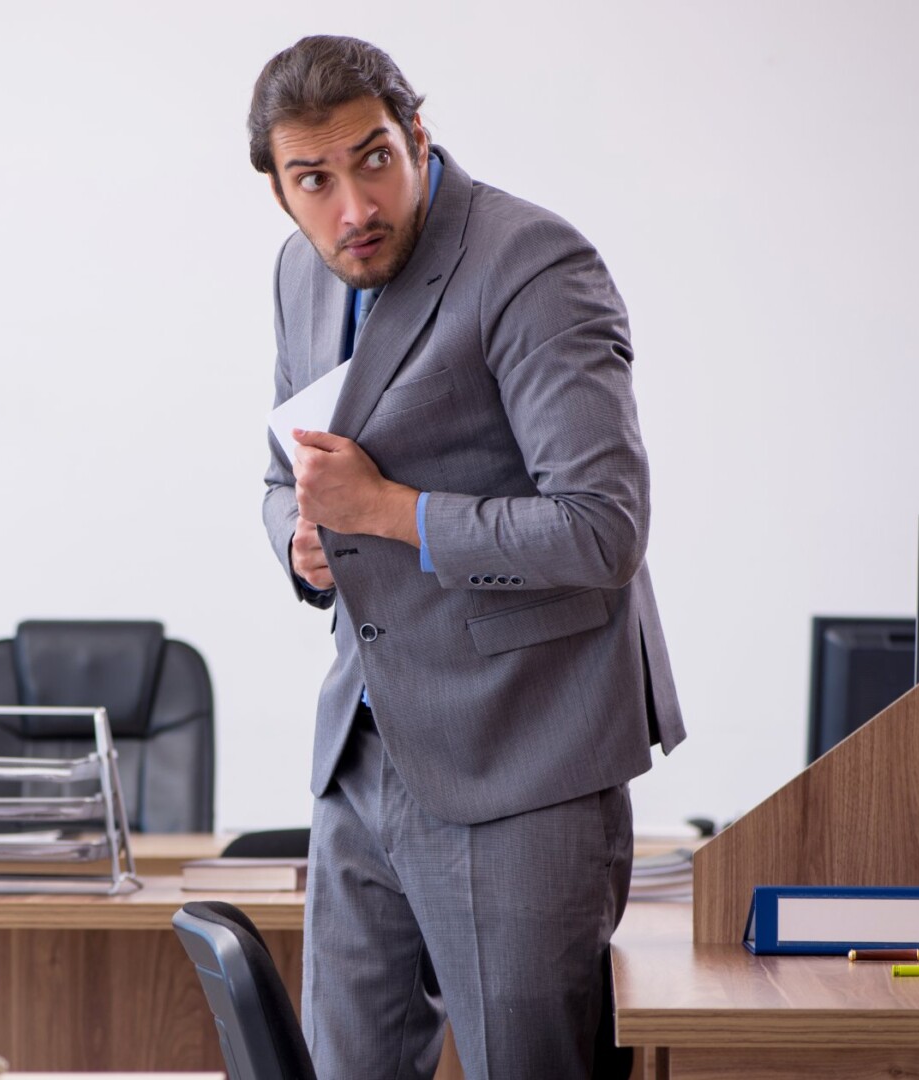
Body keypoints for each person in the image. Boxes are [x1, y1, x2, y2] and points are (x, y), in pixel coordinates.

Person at [251, 35, 687, 1080]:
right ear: (279, 189)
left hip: (525, 759)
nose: (353, 206)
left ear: (418, 136)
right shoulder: (300, 276)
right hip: (362, 755)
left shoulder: (532, 265)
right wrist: (305, 542)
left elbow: (602, 527)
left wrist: (391, 510)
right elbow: (279, 481)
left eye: (374, 160)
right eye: (315, 179)